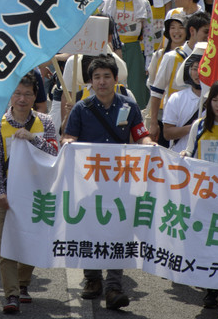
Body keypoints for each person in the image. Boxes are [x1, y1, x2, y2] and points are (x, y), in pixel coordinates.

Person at [63, 54, 154, 310]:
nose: (101, 82)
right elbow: (69, 137)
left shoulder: (129, 106)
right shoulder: (82, 107)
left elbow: (141, 136)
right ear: (90, 82)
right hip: (88, 180)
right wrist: (68, 143)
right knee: (89, 227)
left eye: (106, 77)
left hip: (121, 181)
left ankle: (114, 286)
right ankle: (92, 280)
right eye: (96, 78)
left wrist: (150, 146)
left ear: (116, 79)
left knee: (119, 229)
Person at [0, 73, 58, 313]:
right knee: (7, 245)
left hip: (37, 194)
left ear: (35, 96)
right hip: (7, 193)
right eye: (17, 93)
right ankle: (11, 294)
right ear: (10, 96)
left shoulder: (46, 122)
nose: (22, 98)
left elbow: (54, 154)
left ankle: (23, 283)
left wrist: (32, 140)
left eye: (28, 94)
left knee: (31, 239)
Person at [185, 80, 218, 313]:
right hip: (204, 198)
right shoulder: (198, 127)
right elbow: (189, 153)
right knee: (206, 243)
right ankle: (210, 291)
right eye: (215, 100)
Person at [148, 11, 210, 142]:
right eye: (206, 32)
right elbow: (157, 91)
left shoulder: (210, 59)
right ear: (192, 31)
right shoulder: (172, 57)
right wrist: (153, 122)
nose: (208, 36)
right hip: (175, 121)